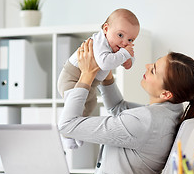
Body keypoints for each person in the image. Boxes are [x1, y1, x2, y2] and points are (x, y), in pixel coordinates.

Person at [58, 40, 194, 174]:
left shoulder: (145, 121)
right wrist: (105, 69)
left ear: (166, 93)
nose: (147, 66)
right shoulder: (172, 110)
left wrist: (87, 75)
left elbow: (67, 126)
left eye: (153, 70)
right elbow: (118, 107)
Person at [58, 8, 140, 149]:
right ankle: (66, 135)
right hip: (72, 77)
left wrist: (129, 61)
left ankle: (77, 132)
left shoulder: (118, 47)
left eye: (130, 39)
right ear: (106, 29)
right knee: (74, 107)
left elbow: (127, 58)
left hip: (91, 83)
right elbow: (105, 63)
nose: (124, 42)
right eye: (120, 35)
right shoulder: (99, 42)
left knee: (90, 105)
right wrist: (125, 55)